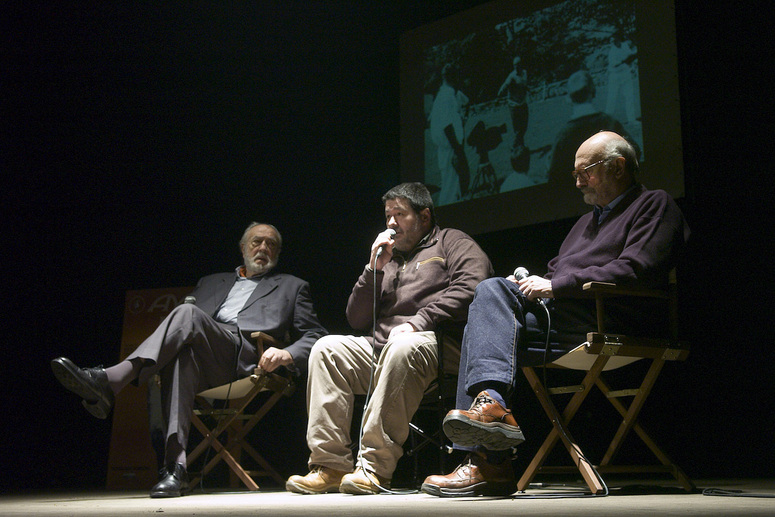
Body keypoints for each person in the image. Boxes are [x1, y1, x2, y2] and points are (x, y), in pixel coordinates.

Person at [421, 131, 690, 497]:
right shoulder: (584, 223)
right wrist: (539, 283)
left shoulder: (654, 205)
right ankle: (490, 438)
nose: (578, 182)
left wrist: (556, 286)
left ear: (618, 166)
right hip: (565, 318)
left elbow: (636, 268)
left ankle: (486, 459)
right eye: (575, 173)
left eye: (586, 172)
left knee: (489, 297)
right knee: (487, 309)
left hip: (611, 316)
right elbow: (556, 273)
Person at [51, 223, 327, 498]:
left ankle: (110, 381)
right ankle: (176, 469)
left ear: (278, 252)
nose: (264, 248)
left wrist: (287, 353)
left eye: (271, 244)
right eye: (257, 242)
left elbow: (315, 334)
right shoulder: (211, 281)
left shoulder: (292, 286)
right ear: (243, 248)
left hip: (245, 358)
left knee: (187, 313)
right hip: (205, 356)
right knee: (182, 355)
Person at [285, 182, 493, 495]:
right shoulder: (387, 260)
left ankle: (372, 468)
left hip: (437, 344)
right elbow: (355, 319)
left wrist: (419, 321)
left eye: (400, 214)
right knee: (327, 348)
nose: (391, 222)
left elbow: (474, 286)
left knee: (403, 345)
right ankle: (330, 465)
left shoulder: (451, 241)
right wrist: (373, 269)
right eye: (387, 216)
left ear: (424, 217)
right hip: (385, 349)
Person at [430, 63, 470, 205]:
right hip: (450, 149)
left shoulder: (445, 95)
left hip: (449, 147)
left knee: (453, 187)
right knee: (450, 191)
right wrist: (457, 150)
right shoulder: (446, 96)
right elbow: (447, 126)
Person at [497, 56, 530, 173]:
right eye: (515, 66)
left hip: (522, 103)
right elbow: (504, 86)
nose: (516, 67)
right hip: (514, 104)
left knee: (524, 126)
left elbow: (524, 84)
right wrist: (499, 93)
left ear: (521, 65)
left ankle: (519, 145)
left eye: (518, 65)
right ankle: (516, 146)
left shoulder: (524, 73)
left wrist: (528, 89)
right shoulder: (511, 77)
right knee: (517, 128)